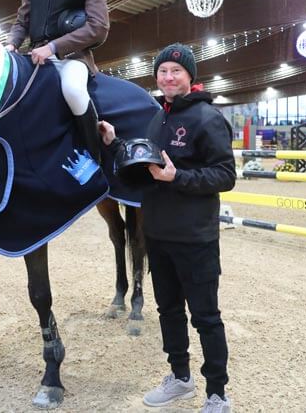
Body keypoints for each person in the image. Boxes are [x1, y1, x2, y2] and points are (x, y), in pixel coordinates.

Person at [97, 43, 236, 412]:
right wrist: (114, 143)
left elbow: (225, 175)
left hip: (195, 237)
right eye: (163, 71)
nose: (168, 77)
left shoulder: (208, 118)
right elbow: (147, 163)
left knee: (206, 317)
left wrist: (179, 177)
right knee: (169, 311)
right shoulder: (158, 118)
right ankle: (180, 378)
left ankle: (217, 393)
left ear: (190, 76)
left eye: (176, 71)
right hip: (157, 234)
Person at [6, 0, 109, 162]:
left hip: (73, 59)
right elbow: (22, 19)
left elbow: (98, 27)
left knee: (73, 90)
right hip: (34, 57)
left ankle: (93, 155)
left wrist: (53, 47)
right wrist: (12, 43)